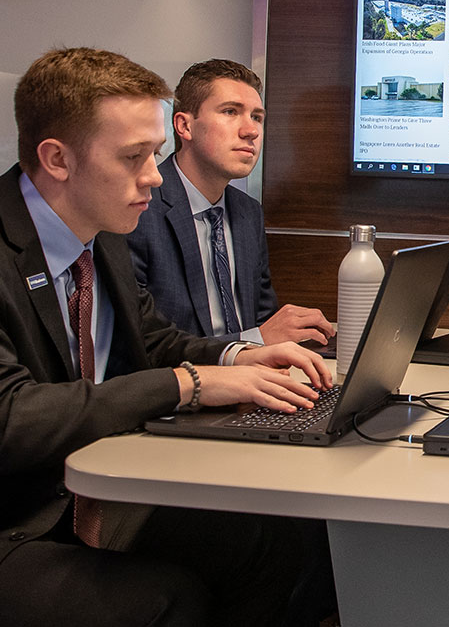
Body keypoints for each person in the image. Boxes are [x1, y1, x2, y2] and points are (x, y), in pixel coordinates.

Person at [0, 47, 335, 626]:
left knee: (279, 543)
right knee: (167, 599)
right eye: (135, 157)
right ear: (56, 158)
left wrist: (246, 354)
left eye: (154, 154)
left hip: (90, 488)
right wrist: (188, 384)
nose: (156, 176)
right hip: (18, 515)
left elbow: (154, 340)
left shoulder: (98, 228)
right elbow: (12, 418)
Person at [127, 58, 334, 346]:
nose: (251, 131)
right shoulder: (138, 209)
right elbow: (145, 345)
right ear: (184, 126)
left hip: (250, 383)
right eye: (230, 112)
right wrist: (255, 341)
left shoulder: (248, 212)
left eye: (257, 117)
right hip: (185, 386)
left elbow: (263, 320)